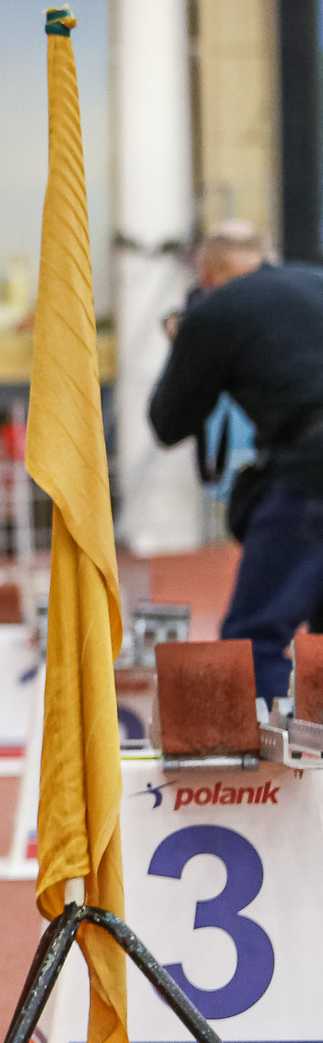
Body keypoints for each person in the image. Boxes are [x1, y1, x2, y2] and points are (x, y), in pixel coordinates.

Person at [148, 222, 323, 702]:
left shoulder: (218, 309)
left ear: (209, 271)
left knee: (254, 639)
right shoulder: (315, 282)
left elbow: (168, 422)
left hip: (310, 472)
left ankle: (274, 776)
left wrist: (186, 339)